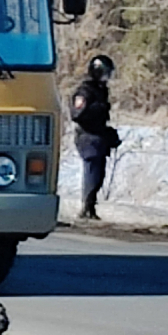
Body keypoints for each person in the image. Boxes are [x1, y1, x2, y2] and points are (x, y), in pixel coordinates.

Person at [70, 55, 121, 220]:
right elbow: (77, 114)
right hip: (87, 136)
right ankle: (86, 207)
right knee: (92, 172)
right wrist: (99, 108)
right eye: (105, 73)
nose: (107, 77)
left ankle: (91, 207)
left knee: (99, 174)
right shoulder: (85, 90)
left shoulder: (101, 89)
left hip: (98, 136)